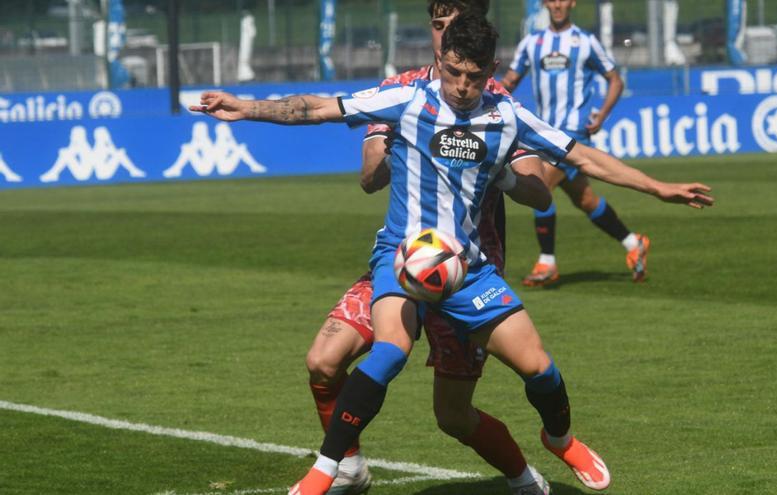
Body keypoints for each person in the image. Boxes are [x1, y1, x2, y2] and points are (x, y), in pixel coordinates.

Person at [192, 14, 713, 495]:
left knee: (540, 368)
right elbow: (318, 108)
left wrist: (657, 187)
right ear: (441, 62)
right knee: (390, 350)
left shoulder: (507, 115)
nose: (462, 86)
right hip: (403, 257)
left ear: (493, 71)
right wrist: (246, 107)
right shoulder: (408, 100)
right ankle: (328, 468)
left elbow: (578, 155)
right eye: (454, 72)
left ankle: (559, 441)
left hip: (467, 269)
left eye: (474, 75)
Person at [309, 3, 556, 494]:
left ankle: (525, 480)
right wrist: (391, 149)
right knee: (324, 360)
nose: (444, 36)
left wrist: (505, 172)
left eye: (454, 25)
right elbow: (368, 179)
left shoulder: (494, 102)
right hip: (405, 261)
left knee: (453, 415)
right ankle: (348, 466)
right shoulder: (400, 91)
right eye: (438, 25)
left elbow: (539, 185)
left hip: (467, 273)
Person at [502, 0, 649, 285]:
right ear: (545, 3)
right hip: (544, 134)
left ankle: (547, 263)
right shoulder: (532, 43)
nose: (557, 4)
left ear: (572, 3)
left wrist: (602, 115)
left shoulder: (585, 42)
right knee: (585, 200)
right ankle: (634, 243)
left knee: (540, 185)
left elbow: (615, 80)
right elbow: (509, 81)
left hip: (573, 134)